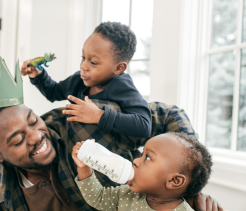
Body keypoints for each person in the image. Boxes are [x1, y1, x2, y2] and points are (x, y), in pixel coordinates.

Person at [0, 56, 223, 211]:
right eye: (17, 140)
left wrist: (187, 186)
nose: (36, 136)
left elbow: (168, 114)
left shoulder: (83, 120)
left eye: (32, 120)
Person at [72, 133, 213, 211]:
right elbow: (98, 198)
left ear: (174, 181)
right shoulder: (128, 194)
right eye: (141, 154)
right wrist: (84, 167)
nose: (135, 161)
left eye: (147, 157)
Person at [21, 22, 152, 138]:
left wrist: (98, 116)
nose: (83, 66)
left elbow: (144, 126)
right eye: (83, 57)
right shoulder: (77, 80)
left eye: (93, 62)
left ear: (119, 68)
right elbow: (53, 92)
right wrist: (38, 75)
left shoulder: (122, 86)